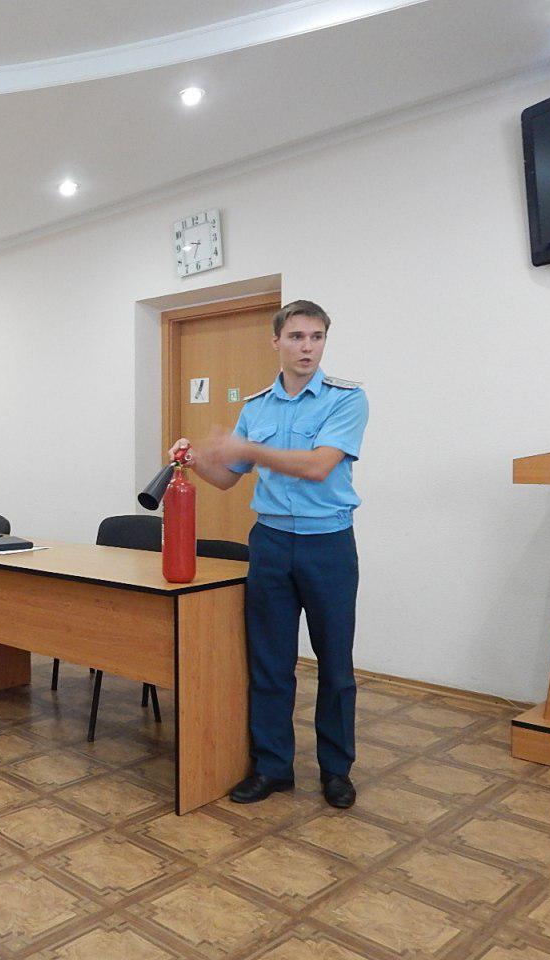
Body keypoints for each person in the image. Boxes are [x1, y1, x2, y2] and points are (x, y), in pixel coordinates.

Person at [170, 299, 368, 809]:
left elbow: (318, 467)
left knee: (335, 665)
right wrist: (194, 460)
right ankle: (273, 767)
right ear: (276, 341)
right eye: (297, 336)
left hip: (328, 545)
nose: (307, 347)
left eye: (317, 337)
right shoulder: (256, 407)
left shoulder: (347, 399)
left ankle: (336, 770)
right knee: (270, 662)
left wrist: (248, 450)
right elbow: (227, 478)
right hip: (272, 543)